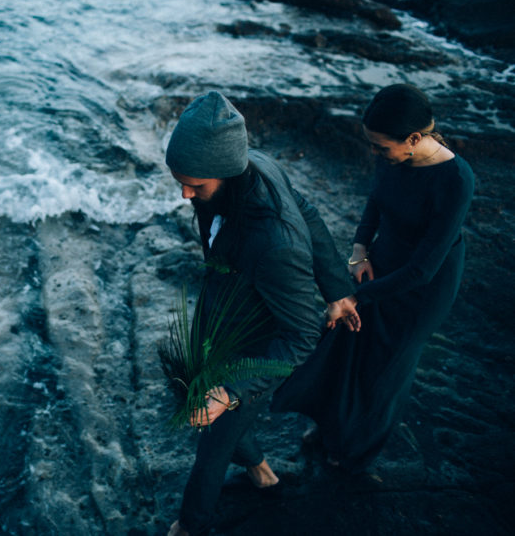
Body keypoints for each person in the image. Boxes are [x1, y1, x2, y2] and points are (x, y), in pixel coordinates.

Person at [163, 91, 359, 536]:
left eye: (194, 184)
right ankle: (261, 471)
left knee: (211, 446)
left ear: (227, 173)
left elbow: (301, 334)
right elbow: (307, 211)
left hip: (251, 352)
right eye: (179, 179)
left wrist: (229, 391)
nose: (184, 192)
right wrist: (336, 287)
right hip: (222, 315)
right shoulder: (258, 164)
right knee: (198, 407)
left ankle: (191, 526)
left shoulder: (274, 245)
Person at [271, 83, 475, 472]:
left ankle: (355, 450)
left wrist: (355, 298)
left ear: (414, 138)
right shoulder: (395, 156)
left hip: (423, 289)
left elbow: (422, 270)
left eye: (382, 147)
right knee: (345, 348)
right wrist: (359, 250)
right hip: (381, 263)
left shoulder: (455, 180)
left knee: (382, 372)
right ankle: (333, 428)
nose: (376, 153)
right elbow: (376, 199)